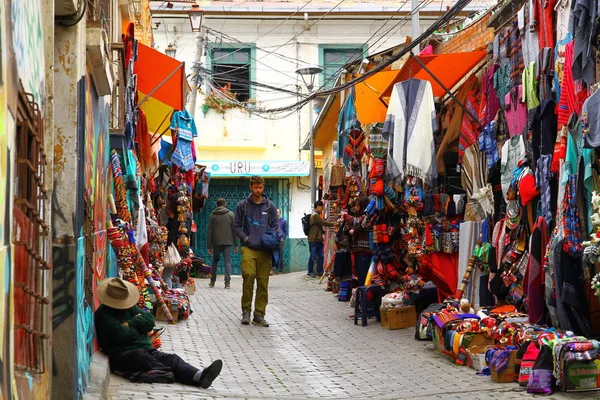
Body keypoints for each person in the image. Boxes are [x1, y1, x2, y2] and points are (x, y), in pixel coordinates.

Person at [94, 277, 223, 388]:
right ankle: (167, 372)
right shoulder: (103, 315)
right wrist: (138, 329)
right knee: (141, 357)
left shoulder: (130, 308)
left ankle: (198, 376)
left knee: (172, 358)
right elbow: (122, 335)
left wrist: (131, 324)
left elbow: (149, 320)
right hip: (121, 355)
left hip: (145, 349)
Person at [233, 175, 278, 327]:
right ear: (250, 187)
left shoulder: (270, 206)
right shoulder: (242, 205)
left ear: (263, 188)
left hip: (265, 249)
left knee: (263, 282)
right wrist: (246, 239)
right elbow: (236, 226)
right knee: (249, 276)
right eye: (255, 187)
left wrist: (271, 239)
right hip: (248, 248)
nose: (258, 190)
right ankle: (246, 311)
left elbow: (275, 227)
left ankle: (259, 314)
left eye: (260, 187)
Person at [207, 198, 239, 289]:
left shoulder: (212, 215)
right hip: (228, 242)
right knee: (227, 261)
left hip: (216, 242)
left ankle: (212, 281)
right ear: (225, 204)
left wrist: (209, 246)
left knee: (215, 261)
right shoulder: (231, 215)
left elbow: (210, 231)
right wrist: (236, 244)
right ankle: (227, 283)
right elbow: (234, 230)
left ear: (217, 205)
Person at [307, 200, 336, 278]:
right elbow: (323, 223)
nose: (322, 209)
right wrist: (334, 224)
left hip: (319, 239)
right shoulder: (315, 216)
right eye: (321, 207)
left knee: (321, 256)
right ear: (318, 206)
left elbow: (318, 226)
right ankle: (310, 271)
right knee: (313, 256)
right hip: (313, 239)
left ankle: (320, 271)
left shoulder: (316, 216)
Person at [272, 208, 288, 275]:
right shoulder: (272, 221)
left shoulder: (283, 221)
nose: (277, 213)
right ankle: (272, 269)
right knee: (272, 254)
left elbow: (285, 231)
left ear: (280, 213)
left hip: (280, 239)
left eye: (278, 212)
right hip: (273, 240)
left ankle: (280, 270)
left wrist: (283, 238)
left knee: (280, 255)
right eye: (276, 212)